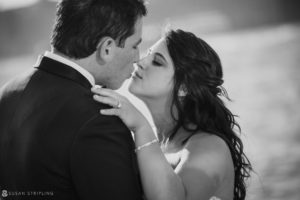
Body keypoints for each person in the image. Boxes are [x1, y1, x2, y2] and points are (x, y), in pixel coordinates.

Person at [0, 0, 146, 199]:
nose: (138, 58)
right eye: (135, 46)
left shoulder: (6, 93)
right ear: (107, 48)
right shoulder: (99, 119)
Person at [92, 29, 252, 200]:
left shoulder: (210, 148)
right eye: (148, 54)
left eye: (157, 62)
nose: (141, 61)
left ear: (184, 87)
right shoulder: (149, 140)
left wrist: (141, 127)